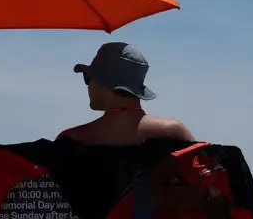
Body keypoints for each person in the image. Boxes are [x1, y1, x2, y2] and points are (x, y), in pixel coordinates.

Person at [59, 41, 194, 145]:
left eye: (88, 78)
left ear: (103, 82)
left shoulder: (71, 140)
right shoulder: (172, 132)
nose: (88, 86)